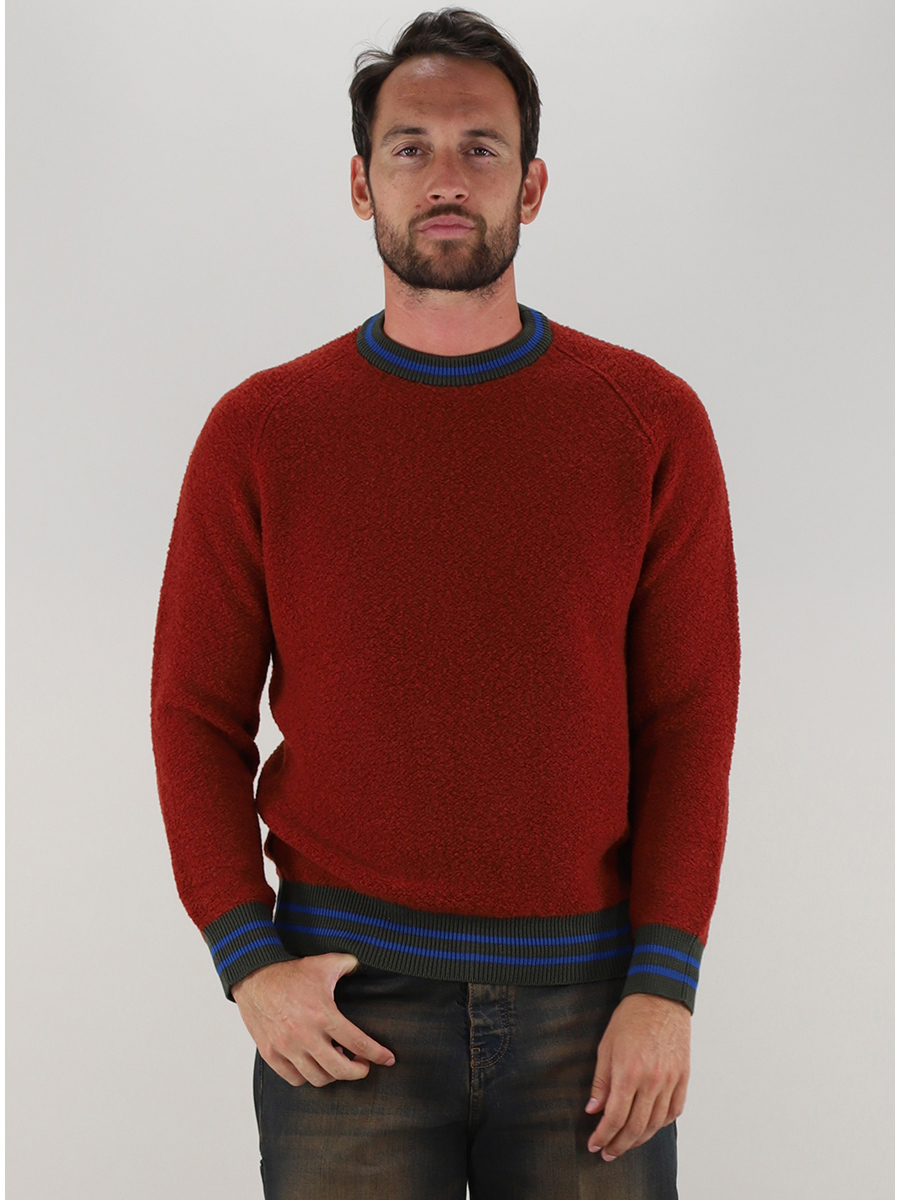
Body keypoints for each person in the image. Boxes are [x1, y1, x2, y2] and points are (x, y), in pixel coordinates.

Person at [151, 8, 740, 1197]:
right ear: (360, 184)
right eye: (410, 147)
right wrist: (248, 958)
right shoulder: (260, 432)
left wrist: (665, 986)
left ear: (533, 183)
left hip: (590, 1006)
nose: (447, 178)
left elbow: (687, 720)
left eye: (481, 147)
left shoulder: (649, 422)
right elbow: (193, 714)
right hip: (344, 1008)